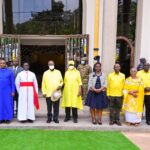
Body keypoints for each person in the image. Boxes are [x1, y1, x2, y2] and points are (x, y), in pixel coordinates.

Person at [0, 59, 15, 124]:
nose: (2, 64)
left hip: (7, 91)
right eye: (1, 63)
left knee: (8, 104)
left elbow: (12, 82)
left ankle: (8, 118)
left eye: (3, 63)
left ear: (5, 64)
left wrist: (13, 91)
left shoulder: (10, 72)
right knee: (0, 104)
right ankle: (1, 118)